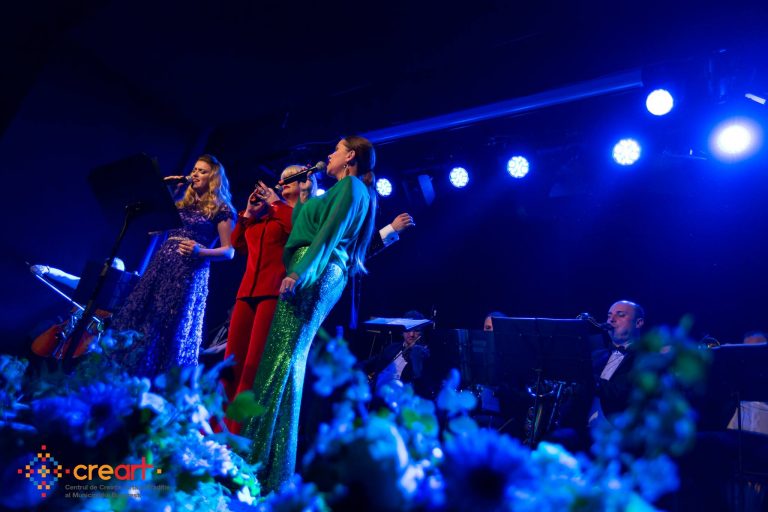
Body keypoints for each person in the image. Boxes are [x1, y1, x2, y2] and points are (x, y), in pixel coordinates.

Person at [244, 135, 377, 492]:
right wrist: (303, 196)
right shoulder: (341, 190)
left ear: (350, 156)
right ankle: (272, 468)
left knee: (281, 359)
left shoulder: (352, 186)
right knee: (287, 361)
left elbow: (328, 236)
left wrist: (300, 273)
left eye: (336, 150)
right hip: (314, 267)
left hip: (314, 270)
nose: (329, 155)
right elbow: (308, 226)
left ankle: (255, 459)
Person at [111, 154, 235, 377]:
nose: (195, 174)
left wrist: (200, 252)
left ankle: (157, 379)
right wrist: (167, 188)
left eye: (202, 171)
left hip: (188, 272)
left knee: (168, 323)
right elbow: (152, 225)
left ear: (213, 178)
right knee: (144, 317)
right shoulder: (181, 203)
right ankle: (127, 373)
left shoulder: (221, 209)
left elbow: (229, 251)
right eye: (194, 169)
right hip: (161, 266)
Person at [362, 310, 430, 396]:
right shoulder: (393, 347)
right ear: (402, 331)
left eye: (416, 330)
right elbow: (372, 362)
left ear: (422, 332)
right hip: (377, 392)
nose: (411, 334)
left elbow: (420, 381)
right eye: (408, 329)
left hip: (399, 397)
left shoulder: (422, 354)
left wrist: (415, 357)